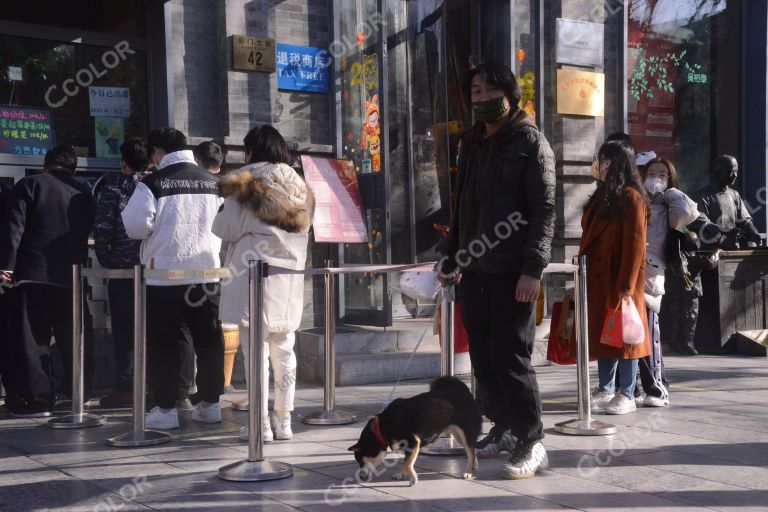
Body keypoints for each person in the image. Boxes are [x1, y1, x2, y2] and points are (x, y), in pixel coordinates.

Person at [438, 61, 555, 479]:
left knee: (511, 357)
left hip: (513, 272)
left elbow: (544, 211)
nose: (482, 99)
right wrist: (451, 257)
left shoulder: (530, 143)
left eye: (490, 91)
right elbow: (463, 205)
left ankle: (532, 439)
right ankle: (504, 427)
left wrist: (533, 268)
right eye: (475, 93)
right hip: (476, 270)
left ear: (510, 95)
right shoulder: (471, 142)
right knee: (484, 358)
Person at [213, 125, 312, 442]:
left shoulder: (245, 181)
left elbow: (224, 228)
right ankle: (284, 421)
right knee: (285, 350)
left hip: (253, 274)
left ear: (251, 151)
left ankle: (260, 424)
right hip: (288, 276)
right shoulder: (300, 184)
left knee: (255, 352)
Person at [122, 127, 224, 429]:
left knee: (166, 342)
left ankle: (166, 409)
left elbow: (135, 227)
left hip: (163, 277)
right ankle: (211, 404)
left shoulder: (152, 183)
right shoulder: (214, 182)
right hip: (207, 274)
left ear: (157, 153)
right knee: (208, 339)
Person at [0, 146, 96, 417]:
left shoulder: (29, 185)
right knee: (72, 337)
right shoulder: (84, 193)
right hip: (72, 275)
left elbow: (13, 228)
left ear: (45, 166)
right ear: (73, 169)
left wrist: (6, 266)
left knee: (33, 339)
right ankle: (79, 392)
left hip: (33, 273)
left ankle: (39, 399)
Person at [582, 139, 650, 416]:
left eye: (604, 159)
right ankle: (606, 388)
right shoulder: (603, 194)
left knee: (626, 337)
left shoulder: (631, 196)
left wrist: (626, 285)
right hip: (599, 278)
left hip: (619, 279)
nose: (599, 165)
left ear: (615, 162)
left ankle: (627, 392)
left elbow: (635, 245)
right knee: (606, 334)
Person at [636, 156, 699, 406]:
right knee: (628, 332)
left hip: (652, 274)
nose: (656, 178)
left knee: (650, 334)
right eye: (652, 173)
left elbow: (686, 214)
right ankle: (628, 387)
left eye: (662, 174)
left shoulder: (670, 205)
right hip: (630, 271)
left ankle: (656, 387)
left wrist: (669, 192)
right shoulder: (638, 200)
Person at [93, 139, 151, 407]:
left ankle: (127, 387)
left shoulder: (114, 188)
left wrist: (108, 261)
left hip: (122, 271)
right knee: (156, 329)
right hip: (154, 271)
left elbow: (103, 230)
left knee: (125, 331)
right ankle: (155, 386)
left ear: (123, 162)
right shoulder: (157, 186)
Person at [694, 155, 761, 250]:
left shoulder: (734, 195)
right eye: (730, 172)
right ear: (717, 173)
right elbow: (702, 223)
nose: (735, 175)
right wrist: (724, 231)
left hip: (734, 247)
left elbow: (744, 220)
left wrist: (752, 230)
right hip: (711, 249)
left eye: (736, 172)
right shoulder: (702, 195)